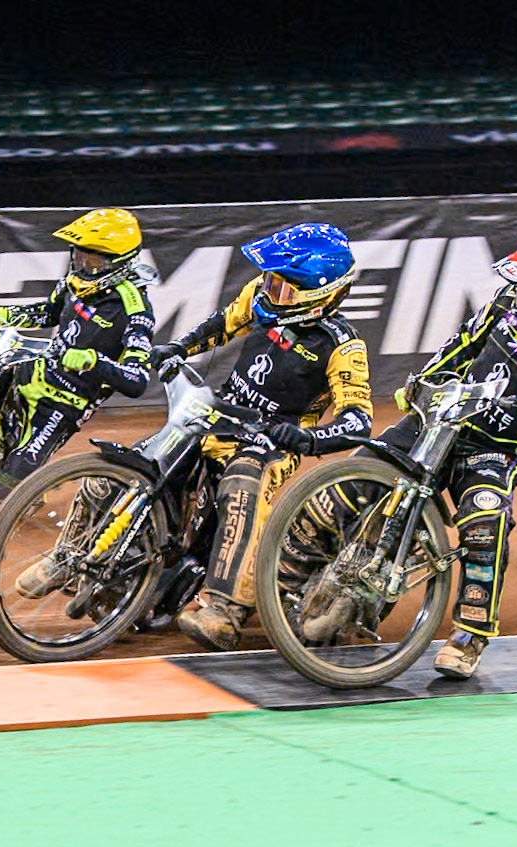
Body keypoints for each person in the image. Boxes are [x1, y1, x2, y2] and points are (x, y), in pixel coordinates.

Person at [373, 228, 517, 678]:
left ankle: (470, 634)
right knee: (362, 477)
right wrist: (423, 382)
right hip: (440, 420)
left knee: (487, 522)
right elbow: (465, 343)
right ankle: (288, 575)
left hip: (492, 452)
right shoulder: (508, 301)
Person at [148, 222, 374, 651]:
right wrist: (179, 347)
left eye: (284, 287)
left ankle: (225, 611)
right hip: (221, 416)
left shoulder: (344, 346)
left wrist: (307, 440)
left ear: (320, 294)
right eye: (270, 280)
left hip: (273, 444)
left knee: (242, 483)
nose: (270, 292)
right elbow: (224, 324)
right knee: (154, 458)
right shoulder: (263, 295)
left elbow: (358, 419)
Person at [0, 207, 156, 509]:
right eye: (79, 255)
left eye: (93, 259)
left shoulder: (135, 308)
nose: (83, 265)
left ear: (119, 263)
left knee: (0, 497)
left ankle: (4, 507)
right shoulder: (74, 280)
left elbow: (137, 380)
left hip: (64, 403)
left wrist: (93, 361)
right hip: (34, 371)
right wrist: (2, 313)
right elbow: (48, 312)